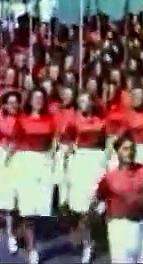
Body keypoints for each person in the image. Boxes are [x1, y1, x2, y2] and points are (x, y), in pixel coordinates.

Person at [94, 133, 143, 264]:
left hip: (142, 225)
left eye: (132, 149)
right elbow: (98, 200)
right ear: (117, 151)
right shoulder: (110, 177)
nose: (130, 152)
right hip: (120, 227)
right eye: (125, 149)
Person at [11, 88, 57, 264]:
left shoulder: (50, 120)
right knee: (27, 208)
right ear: (29, 100)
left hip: (43, 163)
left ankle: (19, 232)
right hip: (25, 162)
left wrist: (52, 159)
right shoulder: (21, 119)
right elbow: (15, 142)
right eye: (35, 97)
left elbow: (54, 142)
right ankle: (32, 249)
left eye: (41, 98)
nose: (38, 100)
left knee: (39, 208)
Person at [63, 93, 107, 263]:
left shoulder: (101, 120)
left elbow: (108, 141)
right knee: (81, 205)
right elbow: (65, 140)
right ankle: (87, 244)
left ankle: (95, 238)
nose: (83, 103)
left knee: (95, 202)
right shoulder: (73, 120)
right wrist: (70, 148)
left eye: (86, 100)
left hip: (97, 160)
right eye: (80, 100)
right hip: (80, 161)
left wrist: (106, 157)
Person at [0, 90, 22, 254]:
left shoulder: (23, 119)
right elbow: (2, 135)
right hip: (1, 156)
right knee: (3, 197)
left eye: (15, 102)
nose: (13, 105)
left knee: (15, 201)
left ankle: (13, 233)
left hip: (19, 157)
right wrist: (6, 148)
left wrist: (15, 146)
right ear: (4, 104)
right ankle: (5, 229)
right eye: (10, 103)